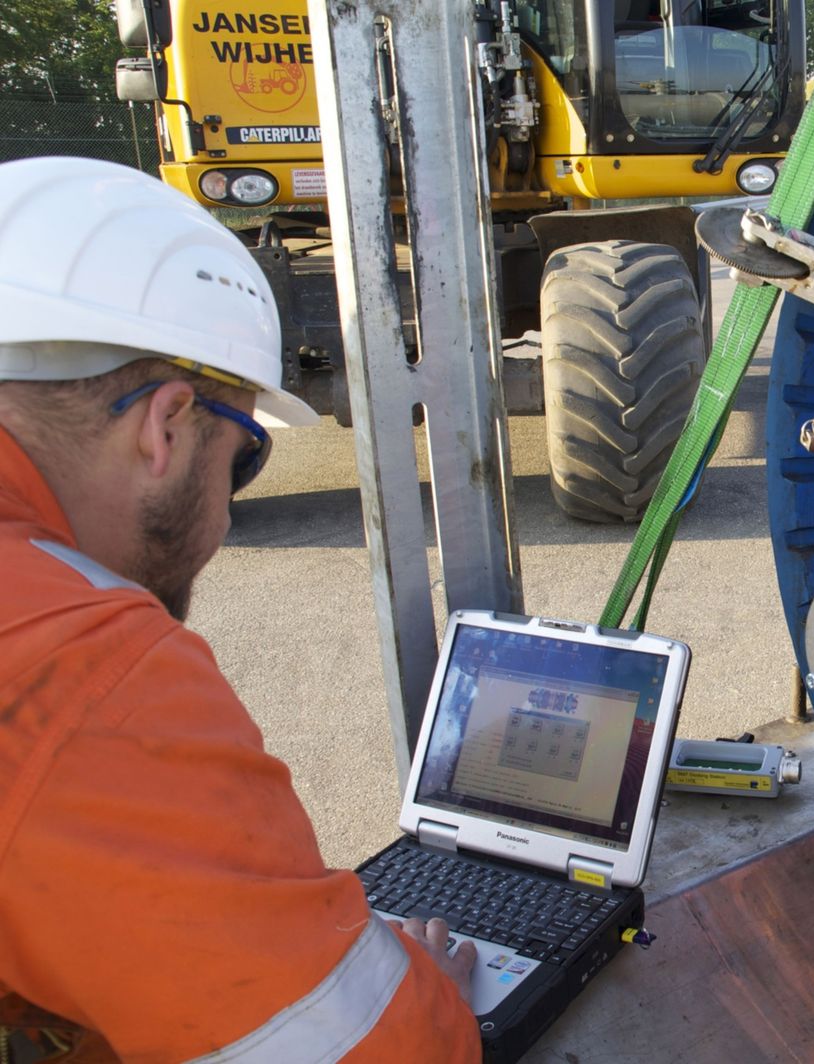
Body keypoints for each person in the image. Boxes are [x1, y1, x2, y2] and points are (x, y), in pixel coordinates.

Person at [0, 158, 480, 1062]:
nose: (222, 514)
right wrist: (430, 1000)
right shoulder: (84, 670)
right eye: (243, 460)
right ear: (165, 427)